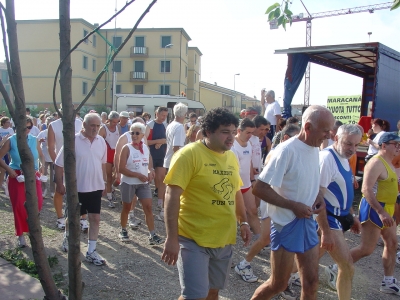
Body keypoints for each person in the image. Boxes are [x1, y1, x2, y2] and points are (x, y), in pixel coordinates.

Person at [161, 108, 251, 300]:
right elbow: (171, 196)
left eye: (233, 131)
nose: (231, 137)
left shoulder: (231, 157)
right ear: (208, 131)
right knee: (195, 295)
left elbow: (236, 191)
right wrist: (171, 238)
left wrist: (243, 222)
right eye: (225, 132)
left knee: (212, 292)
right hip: (193, 237)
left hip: (223, 238)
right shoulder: (189, 154)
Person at [251, 105, 335, 300]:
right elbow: (259, 188)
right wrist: (293, 206)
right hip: (285, 225)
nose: (328, 135)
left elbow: (306, 182)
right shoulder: (286, 151)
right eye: (325, 130)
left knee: (311, 283)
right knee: (278, 284)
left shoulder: (314, 148)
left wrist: (318, 197)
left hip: (307, 224)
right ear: (308, 127)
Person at [330, 132, 400, 296]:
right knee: (367, 248)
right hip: (374, 209)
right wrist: (381, 211)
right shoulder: (376, 162)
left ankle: (388, 281)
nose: (398, 147)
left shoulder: (390, 162)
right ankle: (336, 267)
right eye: (395, 144)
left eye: (399, 144)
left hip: (388, 208)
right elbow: (366, 190)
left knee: (392, 243)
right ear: (383, 145)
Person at [55, 113, 107, 266]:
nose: (95, 129)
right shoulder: (73, 141)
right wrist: (59, 184)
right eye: (92, 125)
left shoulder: (101, 141)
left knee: (95, 218)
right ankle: (68, 238)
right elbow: (58, 164)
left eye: (98, 126)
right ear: (84, 124)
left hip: (95, 187)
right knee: (73, 218)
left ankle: (91, 251)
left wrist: (104, 182)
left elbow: (102, 163)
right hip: (76, 188)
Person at [318, 124, 362, 299]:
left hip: (340, 217)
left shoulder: (343, 156)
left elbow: (343, 191)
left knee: (306, 263)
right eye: (348, 143)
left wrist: (352, 215)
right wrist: (325, 231)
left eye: (356, 145)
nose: (352, 149)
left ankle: (279, 282)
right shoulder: (327, 158)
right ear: (336, 138)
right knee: (347, 265)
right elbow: (317, 197)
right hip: (329, 219)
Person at [0, 117, 44, 248]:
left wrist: (42, 166)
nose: (27, 130)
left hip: (33, 174)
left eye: (29, 127)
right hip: (17, 174)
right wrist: (9, 170)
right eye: (24, 128)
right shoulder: (11, 140)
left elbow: (41, 155)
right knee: (19, 205)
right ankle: (20, 234)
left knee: (38, 202)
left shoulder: (34, 139)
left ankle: (32, 229)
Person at [118, 122, 163, 244]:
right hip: (129, 182)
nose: (134, 135)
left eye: (137, 133)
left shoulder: (145, 148)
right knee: (126, 207)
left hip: (143, 183)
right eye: (132, 133)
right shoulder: (126, 148)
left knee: (148, 207)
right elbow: (120, 168)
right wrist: (138, 175)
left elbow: (149, 162)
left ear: (143, 134)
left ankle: (152, 234)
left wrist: (151, 170)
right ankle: (123, 229)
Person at [47, 107, 83, 230]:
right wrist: (58, 164)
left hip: (78, 163)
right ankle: (60, 217)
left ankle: (83, 218)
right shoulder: (53, 125)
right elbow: (51, 147)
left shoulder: (80, 123)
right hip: (60, 162)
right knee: (59, 190)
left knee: (82, 190)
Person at [114, 116, 148, 229]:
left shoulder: (143, 138)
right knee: (129, 199)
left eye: (141, 130)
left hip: (140, 174)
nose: (138, 133)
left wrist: (149, 170)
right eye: (137, 130)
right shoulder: (124, 138)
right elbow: (117, 155)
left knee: (136, 198)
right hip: (127, 175)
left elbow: (147, 155)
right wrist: (117, 173)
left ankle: (131, 215)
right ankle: (128, 218)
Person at [231, 118, 260, 236]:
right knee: (234, 213)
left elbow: (249, 163)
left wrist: (252, 180)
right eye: (248, 132)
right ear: (239, 131)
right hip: (234, 186)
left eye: (252, 133)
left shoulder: (249, 144)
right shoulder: (232, 145)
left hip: (246, 184)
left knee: (253, 210)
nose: (250, 135)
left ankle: (262, 240)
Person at [145, 107, 167, 210]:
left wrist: (162, 142)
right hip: (151, 155)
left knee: (161, 179)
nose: (164, 117)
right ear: (157, 114)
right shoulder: (150, 125)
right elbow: (145, 142)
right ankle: (145, 200)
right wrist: (157, 142)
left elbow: (168, 140)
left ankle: (160, 203)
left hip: (162, 155)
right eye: (162, 115)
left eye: (166, 116)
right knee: (148, 179)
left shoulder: (165, 125)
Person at [98, 111, 121, 208]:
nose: (115, 124)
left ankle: (110, 188)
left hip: (115, 153)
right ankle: (109, 198)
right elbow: (98, 142)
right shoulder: (103, 129)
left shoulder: (118, 128)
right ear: (109, 120)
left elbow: (119, 141)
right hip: (106, 154)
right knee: (108, 176)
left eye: (117, 122)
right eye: (113, 122)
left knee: (116, 175)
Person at [37, 117, 55, 198]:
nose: (49, 125)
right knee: (43, 172)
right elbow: (36, 142)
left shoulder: (56, 132)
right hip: (44, 155)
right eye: (48, 124)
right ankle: (44, 189)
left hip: (53, 155)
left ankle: (52, 190)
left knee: (53, 174)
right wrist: (39, 141)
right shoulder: (42, 133)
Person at [0, 117, 14, 189]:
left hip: (7, 149)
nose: (9, 124)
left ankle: (2, 183)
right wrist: (4, 140)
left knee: (4, 168)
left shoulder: (11, 130)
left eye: (9, 122)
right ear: (3, 123)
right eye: (7, 122)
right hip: (1, 149)